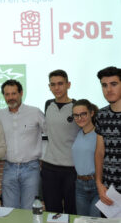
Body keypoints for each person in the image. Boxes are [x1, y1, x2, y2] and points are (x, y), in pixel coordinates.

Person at [0, 79, 45, 209]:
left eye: (14, 93)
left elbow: (51, 132)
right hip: (9, 168)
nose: (10, 97)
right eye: (7, 94)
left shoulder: (35, 112)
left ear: (21, 93)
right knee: (9, 210)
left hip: (31, 168)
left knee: (29, 209)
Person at [41, 69, 79, 214]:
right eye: (53, 84)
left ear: (68, 85)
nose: (57, 88)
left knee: (72, 211)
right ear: (49, 86)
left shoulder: (77, 107)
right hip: (49, 168)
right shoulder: (48, 104)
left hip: (72, 169)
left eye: (60, 84)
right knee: (52, 212)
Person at [95, 66, 121, 207]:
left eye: (114, 84)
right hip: (109, 191)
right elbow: (100, 152)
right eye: (104, 85)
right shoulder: (101, 115)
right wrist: (99, 184)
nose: (108, 90)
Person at [71, 99, 100, 217]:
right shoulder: (78, 133)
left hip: (97, 185)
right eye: (76, 115)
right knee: (82, 220)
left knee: (94, 220)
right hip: (80, 185)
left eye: (83, 114)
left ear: (91, 113)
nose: (79, 118)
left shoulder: (100, 135)